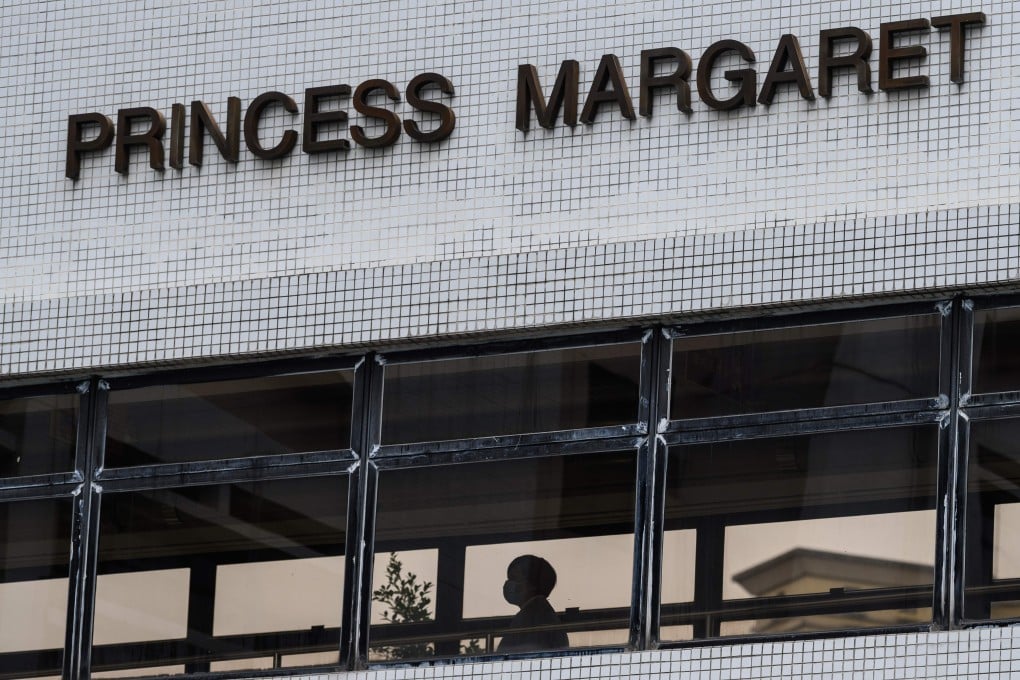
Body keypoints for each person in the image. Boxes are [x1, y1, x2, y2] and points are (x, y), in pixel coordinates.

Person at [497, 554, 569, 653]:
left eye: (514, 578)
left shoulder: (532, 618)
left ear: (532, 585)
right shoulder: (540, 613)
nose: (508, 584)